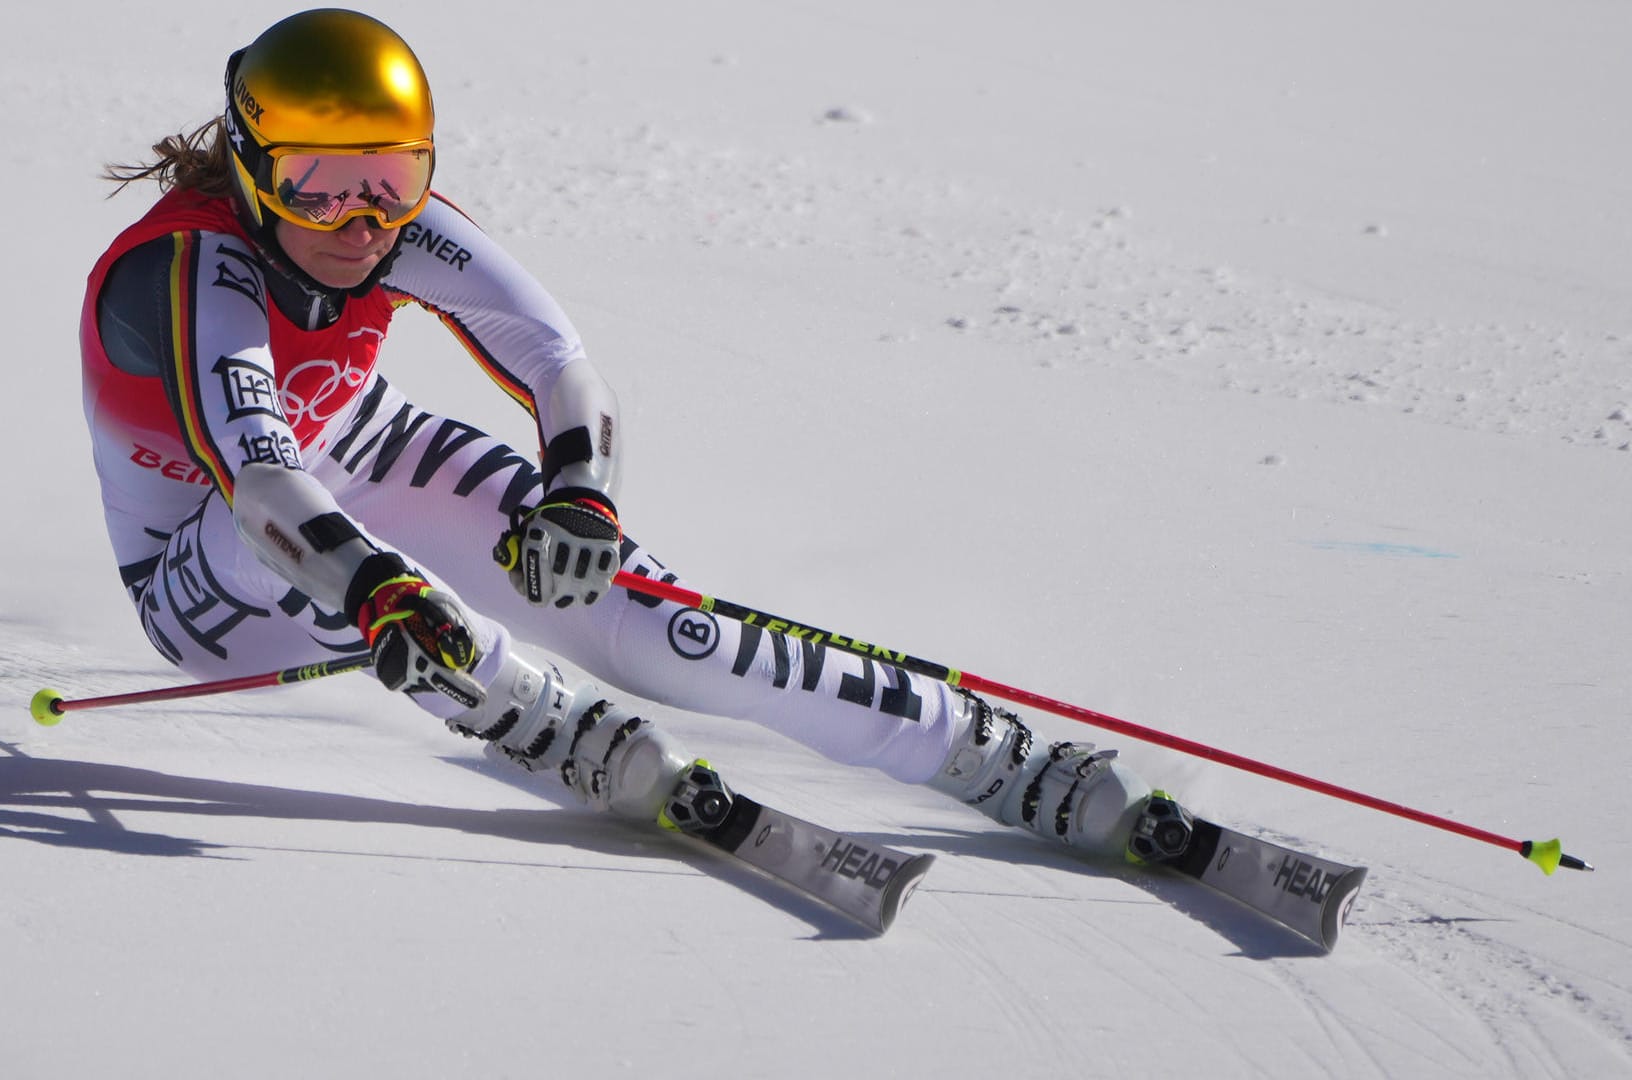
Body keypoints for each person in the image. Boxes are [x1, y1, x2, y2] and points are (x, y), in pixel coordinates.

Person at [82, 8, 1176, 859]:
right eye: (317, 187)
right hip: (210, 573)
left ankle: (980, 749)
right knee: (376, 587)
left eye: (392, 180)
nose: (360, 223)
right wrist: (374, 587)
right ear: (249, 164)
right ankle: (532, 710)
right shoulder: (188, 270)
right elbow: (262, 481)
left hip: (364, 455)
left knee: (654, 623)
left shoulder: (394, 234)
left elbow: (559, 361)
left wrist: (582, 496)